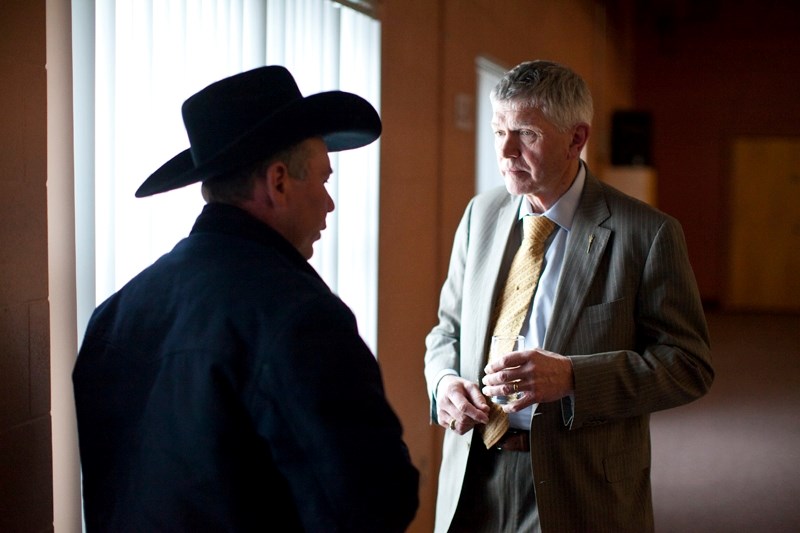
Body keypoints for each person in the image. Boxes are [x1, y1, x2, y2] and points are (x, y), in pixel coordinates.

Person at [73, 65, 419, 532]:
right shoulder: (299, 316)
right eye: (322, 180)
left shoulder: (115, 313)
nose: (329, 203)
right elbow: (373, 503)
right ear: (278, 182)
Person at [423, 59, 714, 532]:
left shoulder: (647, 234)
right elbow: (447, 329)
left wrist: (575, 377)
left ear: (576, 139)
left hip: (580, 485)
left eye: (527, 134)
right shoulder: (481, 213)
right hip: (473, 474)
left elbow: (688, 366)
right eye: (499, 130)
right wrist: (443, 384)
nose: (506, 151)